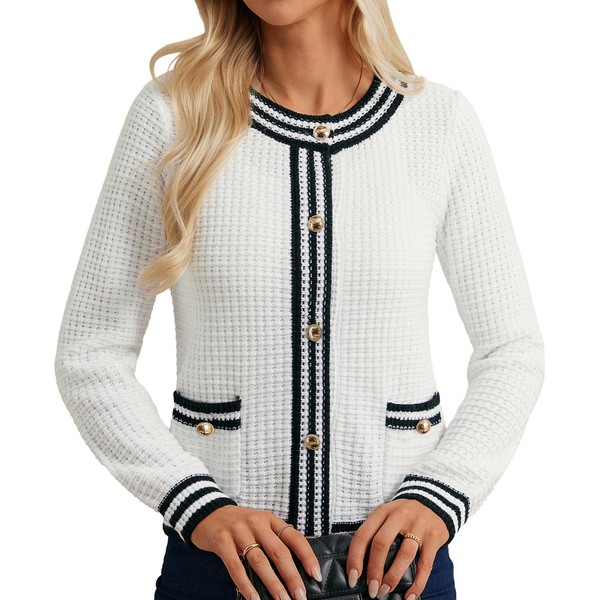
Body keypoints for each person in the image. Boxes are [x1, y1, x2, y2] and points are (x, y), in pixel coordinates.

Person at [53, 1, 545, 599]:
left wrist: (442, 494)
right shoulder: (174, 114)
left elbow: (511, 348)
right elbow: (90, 351)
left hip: (398, 569)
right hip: (221, 570)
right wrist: (196, 504)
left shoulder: (438, 123)